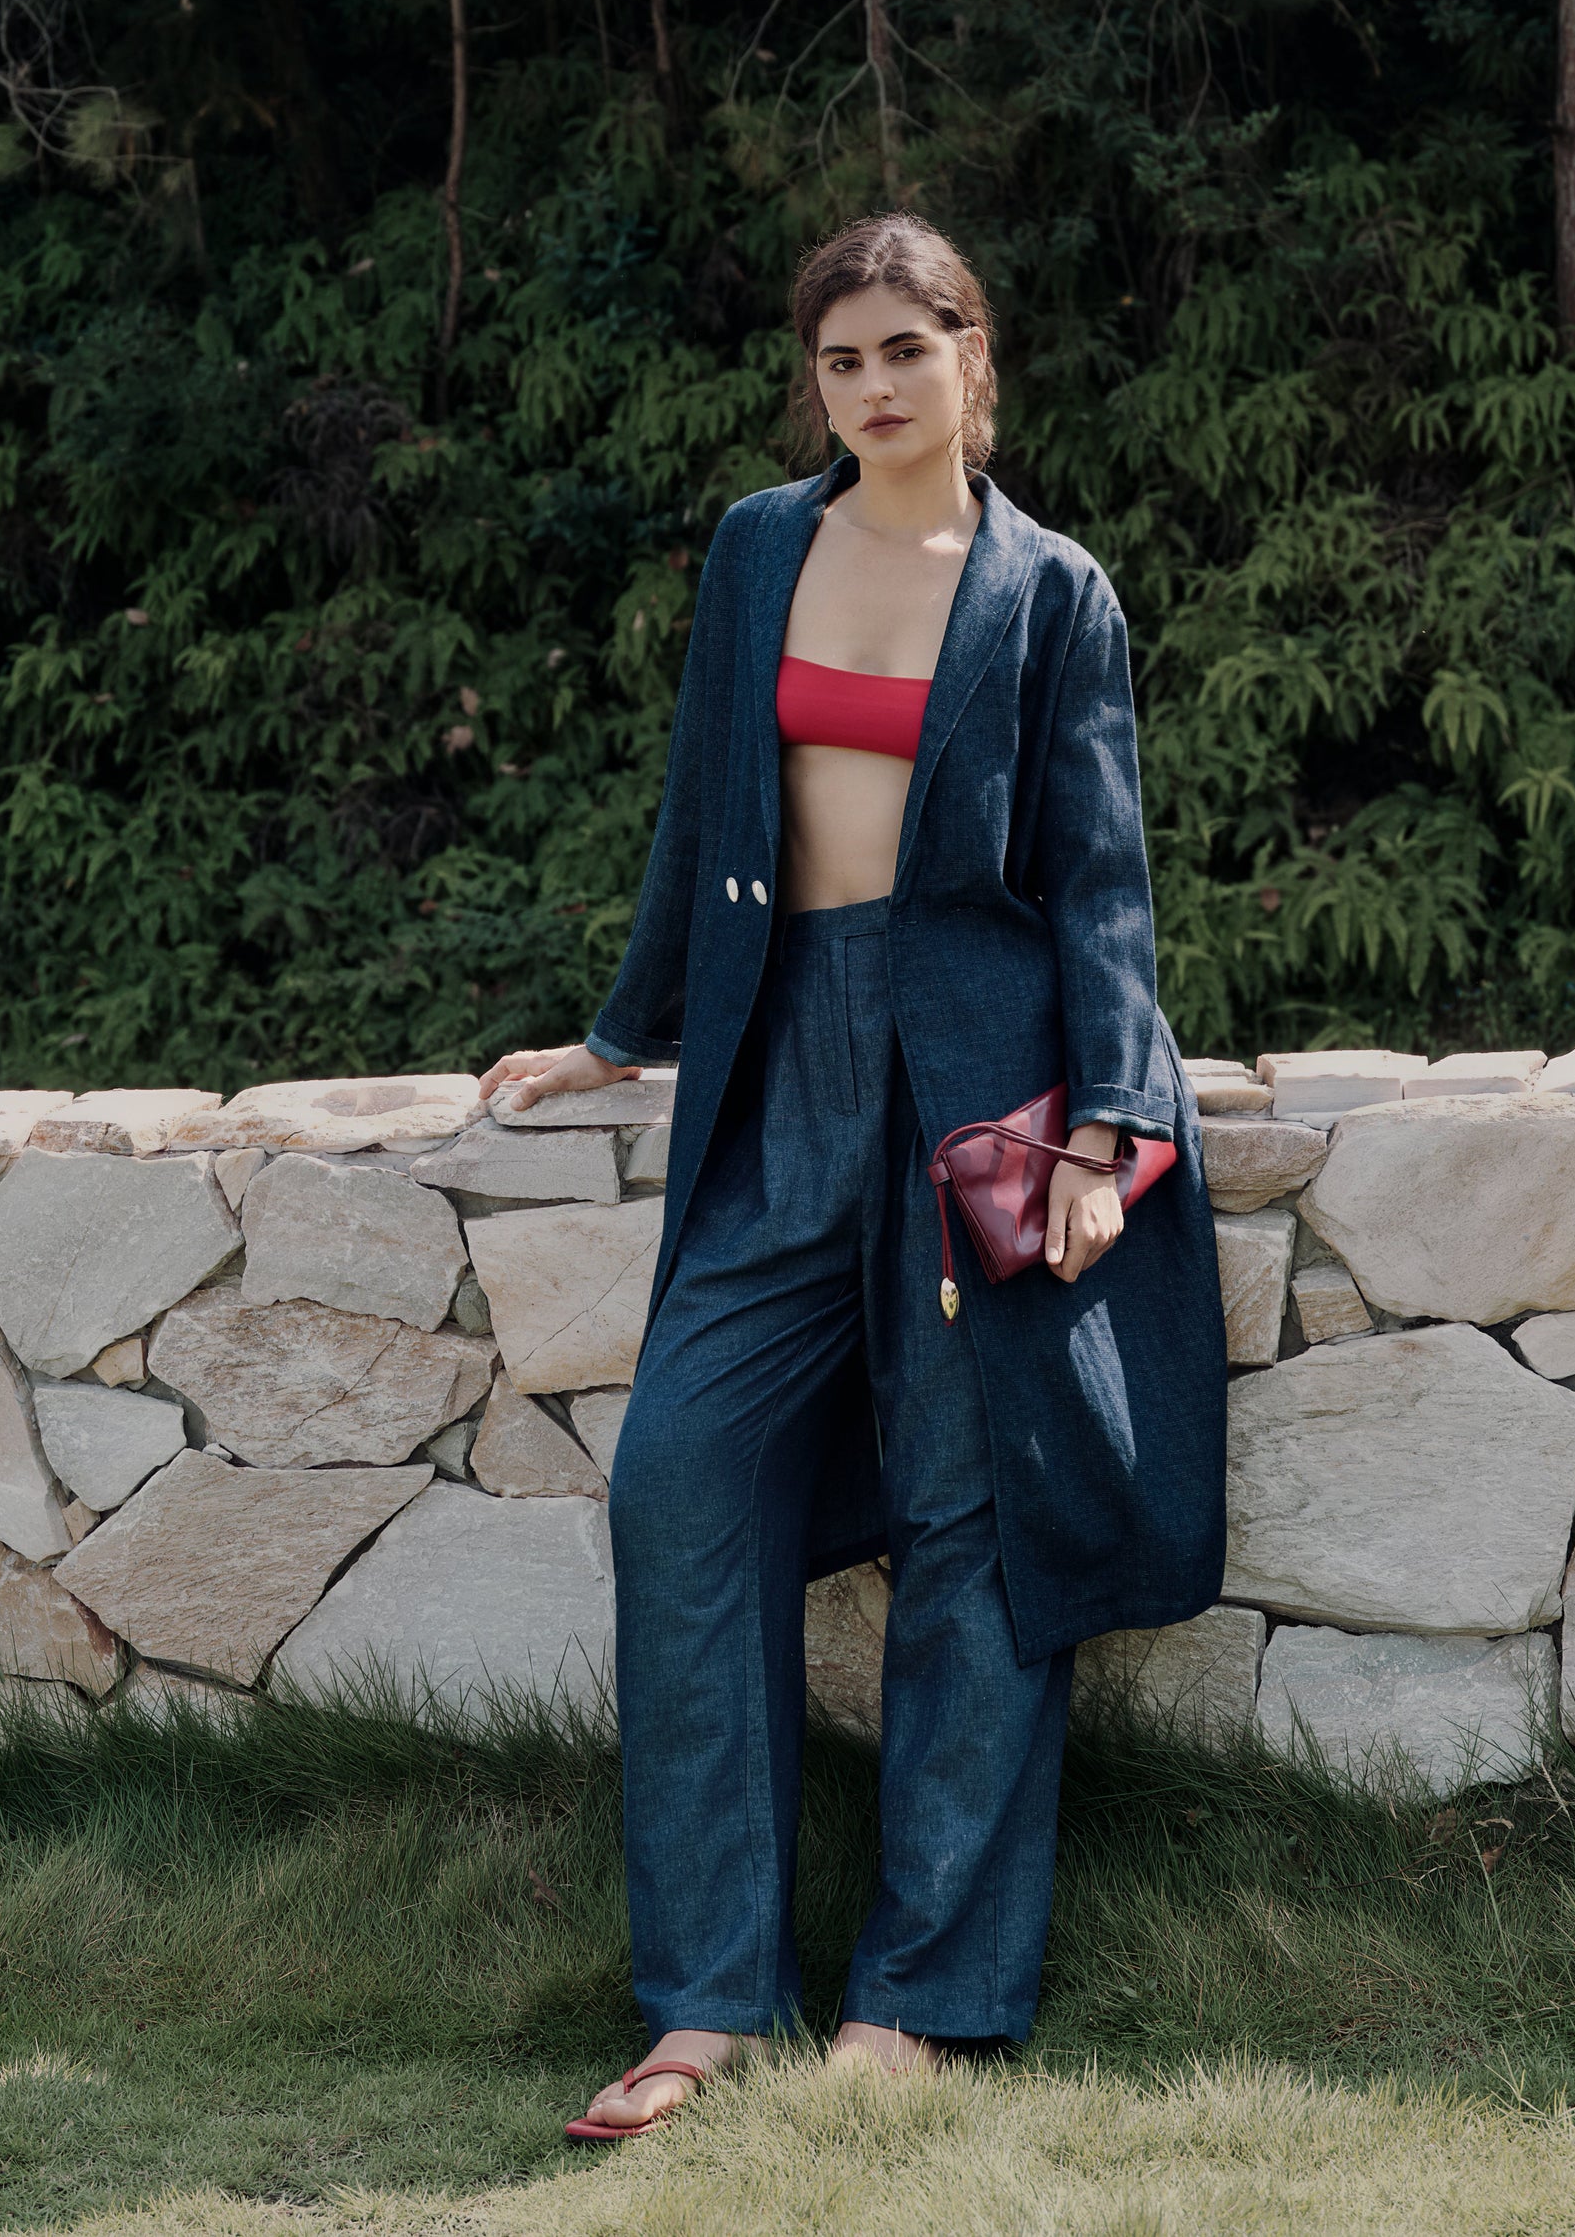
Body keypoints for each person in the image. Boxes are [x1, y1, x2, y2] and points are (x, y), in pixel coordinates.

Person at [477, 212, 1227, 2137]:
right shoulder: (756, 553)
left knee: (974, 1525)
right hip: (774, 1066)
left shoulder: (1055, 594)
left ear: (980, 360)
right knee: (683, 1481)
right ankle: (708, 1998)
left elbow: (1104, 884)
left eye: (910, 348)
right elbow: (704, 813)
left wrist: (1116, 1124)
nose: (876, 386)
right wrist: (625, 1032)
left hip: (974, 1089)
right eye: (843, 358)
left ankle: (923, 1993)